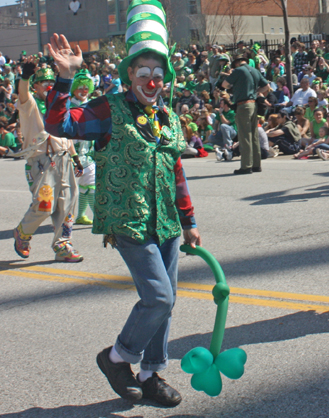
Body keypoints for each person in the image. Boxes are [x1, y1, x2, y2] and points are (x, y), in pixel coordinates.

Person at [44, 0, 201, 406]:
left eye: (158, 73)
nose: (152, 80)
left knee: (167, 300)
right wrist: (65, 78)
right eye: (143, 72)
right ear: (130, 73)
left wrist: (189, 220)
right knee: (159, 297)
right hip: (128, 220)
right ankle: (116, 358)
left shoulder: (168, 117)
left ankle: (151, 376)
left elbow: (176, 171)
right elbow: (60, 124)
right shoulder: (108, 110)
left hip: (166, 221)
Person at [11, 60, 84, 262]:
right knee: (45, 204)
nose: (48, 84)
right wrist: (25, 77)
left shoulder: (59, 106)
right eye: (43, 82)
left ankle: (63, 245)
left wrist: (75, 157)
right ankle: (22, 233)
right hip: (42, 161)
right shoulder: (31, 105)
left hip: (64, 158)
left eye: (51, 81)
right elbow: (23, 95)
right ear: (35, 86)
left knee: (67, 204)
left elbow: (65, 135)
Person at [222, 54, 269, 174]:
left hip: (243, 105)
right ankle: (256, 164)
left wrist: (235, 85)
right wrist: (254, 92)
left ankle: (246, 166)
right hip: (253, 103)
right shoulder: (255, 70)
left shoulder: (238, 71)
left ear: (237, 62)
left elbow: (225, 85)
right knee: (253, 135)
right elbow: (266, 86)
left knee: (244, 136)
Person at [70, 70, 96, 224]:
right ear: (74, 88)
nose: (83, 90)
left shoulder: (92, 105)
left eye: (86, 87)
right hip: (72, 155)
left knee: (91, 187)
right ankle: (77, 216)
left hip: (88, 154)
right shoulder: (68, 105)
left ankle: (88, 217)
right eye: (80, 87)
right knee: (76, 190)